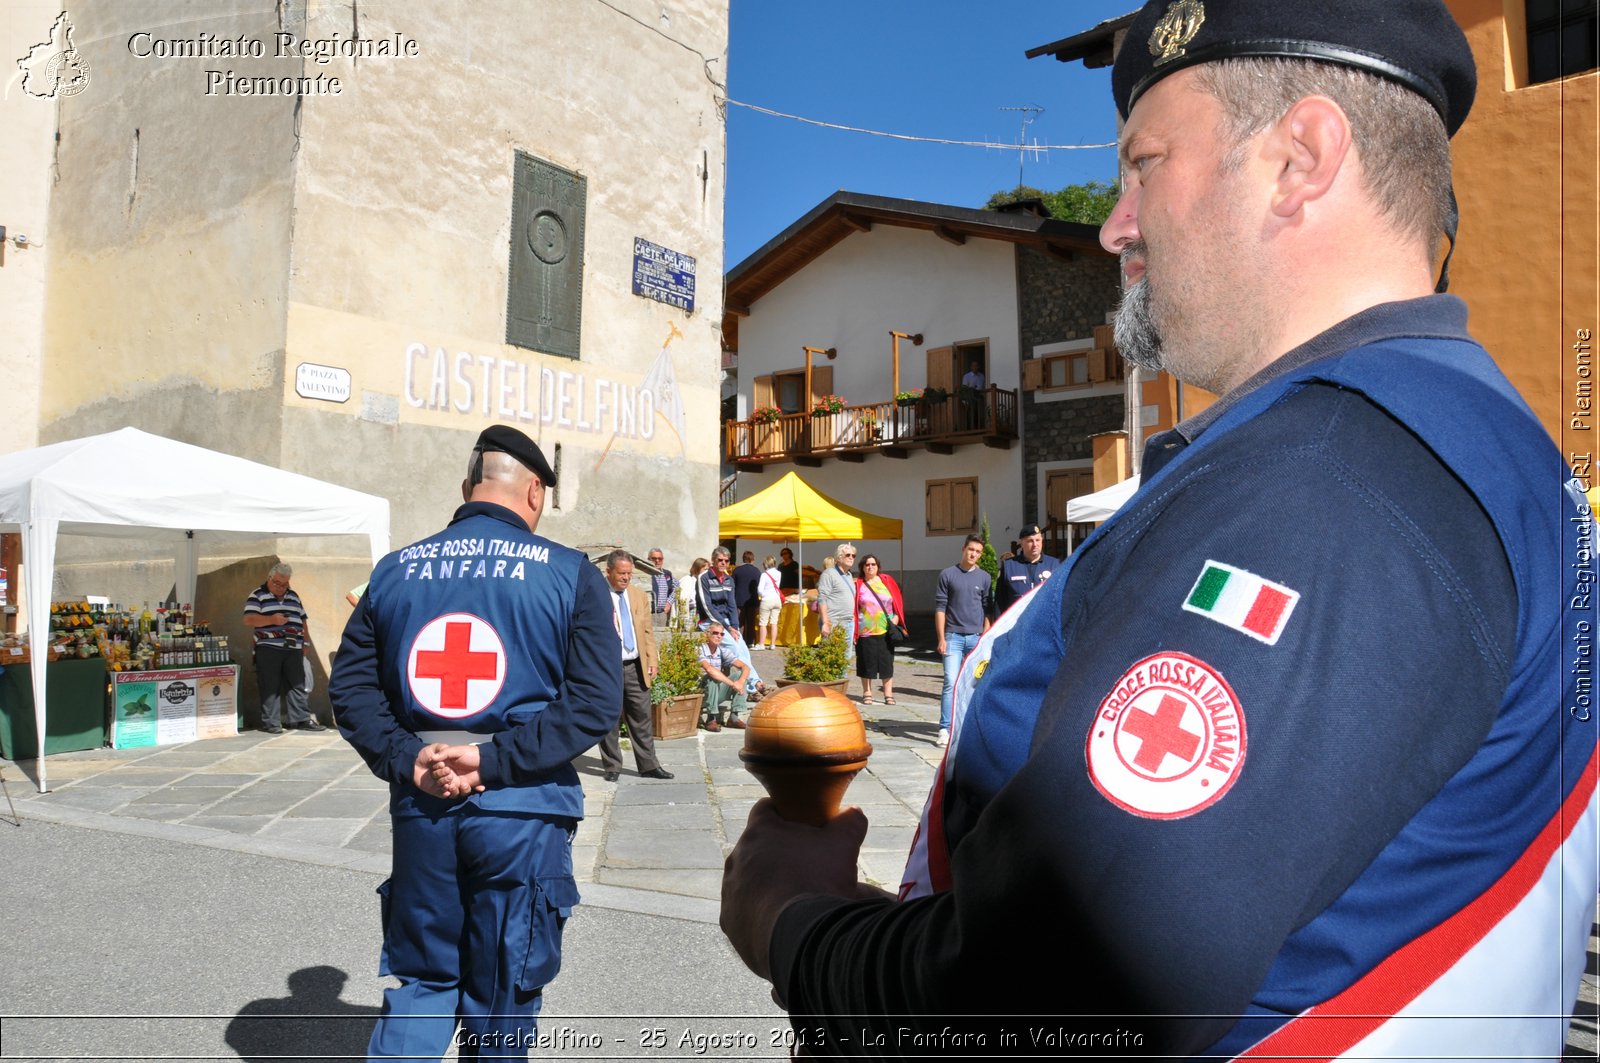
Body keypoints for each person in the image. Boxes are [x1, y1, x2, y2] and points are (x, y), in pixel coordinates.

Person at [721, 2, 1597, 1056]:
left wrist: (798, 925)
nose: (1113, 224)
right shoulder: (1475, 443)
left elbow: (1068, 993)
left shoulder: (1325, 489)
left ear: (1300, 158)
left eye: (1143, 166)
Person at [329, 424, 619, 1058]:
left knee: (422, 981)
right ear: (535, 492)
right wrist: (490, 760)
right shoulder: (571, 573)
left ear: (468, 488)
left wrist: (408, 758)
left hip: (424, 804)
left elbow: (349, 691)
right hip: (522, 809)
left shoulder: (394, 569)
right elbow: (596, 701)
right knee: (501, 996)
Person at [597, 550, 673, 783]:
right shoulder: (597, 595)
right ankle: (612, 765)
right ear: (608, 572)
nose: (626, 578)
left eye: (629, 574)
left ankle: (649, 765)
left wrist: (652, 660)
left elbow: (647, 631)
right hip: (608, 667)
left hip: (635, 665)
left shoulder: (638, 595)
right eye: (621, 573)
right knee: (609, 718)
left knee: (641, 716)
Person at [243, 563, 323, 734]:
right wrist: (271, 619)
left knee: (297, 684)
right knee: (269, 685)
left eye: (284, 584)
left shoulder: (293, 595)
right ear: (269, 579)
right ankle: (271, 723)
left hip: (293, 647)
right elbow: (248, 619)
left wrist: (306, 643)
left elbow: (302, 620)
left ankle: (301, 720)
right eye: (277, 583)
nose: (280, 587)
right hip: (268, 647)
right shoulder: (257, 594)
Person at [931, 534, 990, 747]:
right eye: (971, 549)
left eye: (977, 551)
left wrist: (985, 637)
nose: (973, 554)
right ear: (963, 548)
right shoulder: (948, 574)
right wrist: (942, 637)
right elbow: (940, 607)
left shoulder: (984, 577)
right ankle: (945, 729)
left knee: (974, 684)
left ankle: (967, 726)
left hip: (976, 639)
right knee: (950, 682)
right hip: (953, 637)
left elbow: (987, 609)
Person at [851, 555, 904, 706]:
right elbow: (854, 607)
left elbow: (897, 600)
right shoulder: (858, 585)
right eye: (867, 565)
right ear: (862, 567)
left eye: (873, 564)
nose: (870, 567)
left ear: (878, 566)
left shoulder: (886, 581)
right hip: (865, 630)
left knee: (887, 663)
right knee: (866, 662)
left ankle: (888, 694)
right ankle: (867, 693)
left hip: (885, 629)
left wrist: (896, 618)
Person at [994, 522, 1059, 614]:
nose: (1035, 544)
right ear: (1021, 543)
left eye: (1038, 540)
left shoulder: (1054, 565)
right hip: (1016, 624)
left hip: (1043, 623)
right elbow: (999, 602)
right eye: (1030, 541)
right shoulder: (1009, 566)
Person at [697, 622, 750, 732]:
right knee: (712, 677)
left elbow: (745, 667)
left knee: (740, 675)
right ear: (707, 634)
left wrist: (740, 682)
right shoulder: (699, 649)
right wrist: (732, 684)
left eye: (722, 634)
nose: (719, 636)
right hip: (700, 693)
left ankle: (734, 717)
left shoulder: (722, 650)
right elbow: (710, 670)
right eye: (715, 633)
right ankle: (711, 719)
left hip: (716, 692)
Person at [814, 543, 856, 653]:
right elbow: (822, 599)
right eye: (848, 555)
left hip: (848, 622)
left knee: (845, 659)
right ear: (839, 557)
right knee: (831, 657)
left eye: (853, 555)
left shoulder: (849, 575)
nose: (851, 557)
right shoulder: (829, 574)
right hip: (833, 621)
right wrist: (825, 623)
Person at [732, 550, 763, 644]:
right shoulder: (757, 571)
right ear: (752, 559)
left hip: (739, 599)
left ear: (743, 559)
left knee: (739, 622)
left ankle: (739, 641)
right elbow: (759, 585)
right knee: (751, 622)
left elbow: (732, 585)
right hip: (752, 600)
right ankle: (750, 641)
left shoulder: (737, 570)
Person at [756, 554, 784, 650]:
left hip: (767, 600)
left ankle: (761, 644)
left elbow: (760, 589)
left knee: (763, 623)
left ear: (766, 564)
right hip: (777, 599)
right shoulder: (779, 573)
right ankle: (772, 644)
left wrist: (763, 595)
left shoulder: (764, 574)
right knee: (774, 622)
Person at [644, 547, 676, 630]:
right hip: (649, 614)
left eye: (660, 559)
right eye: (654, 558)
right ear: (649, 559)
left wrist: (669, 602)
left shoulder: (667, 574)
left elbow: (677, 587)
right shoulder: (645, 574)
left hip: (662, 613)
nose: (657, 561)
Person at [674, 558, 706, 633]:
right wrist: (684, 616)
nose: (707, 572)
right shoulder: (688, 580)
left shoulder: (700, 581)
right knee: (689, 633)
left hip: (698, 611)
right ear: (697, 568)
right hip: (690, 611)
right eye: (705, 569)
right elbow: (683, 599)